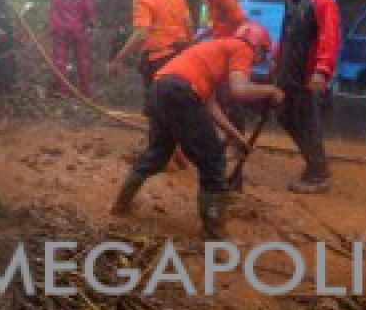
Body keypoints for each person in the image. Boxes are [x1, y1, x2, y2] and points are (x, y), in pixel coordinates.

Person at [110, 22, 282, 236]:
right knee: (212, 158)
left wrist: (236, 137)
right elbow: (240, 90)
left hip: (160, 90)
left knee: (157, 154)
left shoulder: (212, 53)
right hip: (179, 93)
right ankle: (213, 231)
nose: (256, 62)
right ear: (258, 47)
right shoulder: (242, 48)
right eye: (261, 55)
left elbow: (210, 106)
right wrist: (272, 91)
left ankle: (121, 203)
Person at [270, 0, 340, 193]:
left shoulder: (322, 1)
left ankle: (318, 173)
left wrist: (322, 70)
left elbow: (329, 38)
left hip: (308, 74)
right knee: (283, 114)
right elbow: (286, 33)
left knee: (307, 121)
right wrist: (276, 60)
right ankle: (314, 163)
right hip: (289, 70)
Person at [106, 0, 193, 89]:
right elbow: (188, 24)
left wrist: (118, 59)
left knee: (155, 102)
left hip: (159, 59)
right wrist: (190, 50)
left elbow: (141, 34)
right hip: (182, 55)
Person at [39, 0, 97, 96]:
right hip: (79, 30)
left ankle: (62, 92)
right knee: (83, 61)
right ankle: (86, 91)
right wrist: (92, 25)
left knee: (60, 61)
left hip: (60, 31)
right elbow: (89, 8)